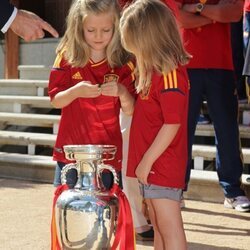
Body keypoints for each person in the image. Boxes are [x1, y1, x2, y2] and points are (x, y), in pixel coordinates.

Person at [120, 0, 191, 249]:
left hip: (161, 166)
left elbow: (173, 124)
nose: (132, 53)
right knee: (159, 227)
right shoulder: (153, 71)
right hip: (152, 167)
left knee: (169, 227)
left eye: (134, 46)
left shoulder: (170, 73)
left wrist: (147, 161)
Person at [48, 0, 135, 189]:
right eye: (91, 30)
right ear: (79, 27)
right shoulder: (66, 55)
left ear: (117, 27)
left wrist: (121, 91)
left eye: (106, 30)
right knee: (67, 209)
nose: (98, 36)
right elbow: (55, 100)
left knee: (107, 213)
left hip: (107, 157)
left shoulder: (124, 61)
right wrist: (76, 91)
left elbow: (131, 110)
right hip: (71, 153)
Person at [175, 0, 250, 212]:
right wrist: (216, 15)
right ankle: (176, 189)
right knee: (181, 131)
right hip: (185, 63)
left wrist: (198, 9)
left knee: (227, 129)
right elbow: (179, 18)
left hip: (222, 63)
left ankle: (232, 191)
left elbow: (235, 13)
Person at [120, 112, 154, 241]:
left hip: (147, 102)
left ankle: (140, 217)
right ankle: (136, 222)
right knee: (130, 162)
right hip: (131, 103)